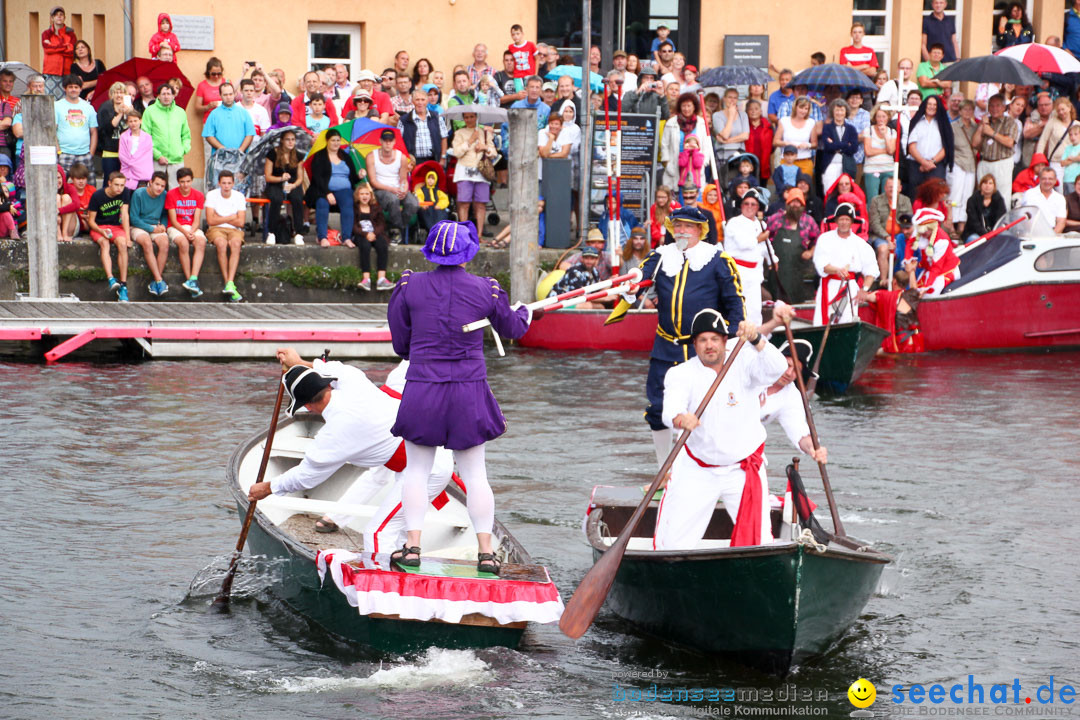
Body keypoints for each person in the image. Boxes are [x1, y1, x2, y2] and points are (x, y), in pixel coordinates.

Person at [387, 220, 535, 574]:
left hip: (423, 386)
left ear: (432, 252)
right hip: (468, 391)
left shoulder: (408, 286)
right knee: (475, 474)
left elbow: (401, 345)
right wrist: (526, 310)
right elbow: (514, 329)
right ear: (467, 255)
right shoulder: (487, 290)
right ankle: (486, 552)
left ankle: (412, 547)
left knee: (417, 472)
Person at [247, 349, 455, 547]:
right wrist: (300, 362)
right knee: (397, 535)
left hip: (427, 470)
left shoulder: (333, 436)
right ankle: (398, 573)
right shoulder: (352, 378)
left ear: (307, 407)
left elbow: (306, 477)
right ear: (328, 385)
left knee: (378, 533)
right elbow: (334, 368)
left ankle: (379, 583)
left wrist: (267, 488)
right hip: (426, 450)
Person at [607, 207, 746, 467]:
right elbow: (641, 276)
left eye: (689, 226)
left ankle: (708, 466)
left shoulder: (717, 258)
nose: (682, 231)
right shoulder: (660, 256)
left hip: (704, 350)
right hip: (666, 346)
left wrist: (733, 343)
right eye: (678, 225)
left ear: (700, 231)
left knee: (706, 409)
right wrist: (632, 283)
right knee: (659, 408)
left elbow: (735, 303)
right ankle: (665, 470)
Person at [654, 308, 790, 550]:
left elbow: (777, 368)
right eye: (703, 340)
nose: (709, 345)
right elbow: (668, 412)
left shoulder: (745, 362)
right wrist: (680, 418)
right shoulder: (681, 374)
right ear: (694, 344)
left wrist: (757, 340)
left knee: (759, 543)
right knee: (673, 545)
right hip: (697, 469)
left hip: (742, 469)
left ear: (725, 342)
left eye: (715, 339)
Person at [759, 338, 829, 463]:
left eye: (797, 370)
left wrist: (813, 448)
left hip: (746, 451)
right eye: (788, 365)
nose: (789, 373)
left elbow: (799, 432)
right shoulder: (754, 368)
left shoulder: (791, 397)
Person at [812, 203, 879, 325]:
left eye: (847, 219)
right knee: (824, 322)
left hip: (850, 288)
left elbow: (871, 269)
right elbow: (821, 264)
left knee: (847, 323)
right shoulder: (825, 239)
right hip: (829, 286)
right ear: (836, 221)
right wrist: (837, 270)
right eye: (841, 219)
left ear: (852, 222)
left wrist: (864, 290)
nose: (844, 222)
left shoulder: (860, 244)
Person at [723, 189, 772, 325]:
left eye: (753, 204)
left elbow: (765, 245)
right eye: (746, 204)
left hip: (754, 272)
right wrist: (759, 238)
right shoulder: (734, 222)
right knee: (739, 307)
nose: (749, 207)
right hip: (738, 270)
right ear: (741, 205)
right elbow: (744, 243)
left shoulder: (760, 224)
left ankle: (755, 335)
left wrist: (773, 258)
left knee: (755, 308)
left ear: (758, 207)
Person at [306, 129, 359, 247]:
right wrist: (327, 192)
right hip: (322, 190)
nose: (336, 143)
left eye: (338, 140)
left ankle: (346, 237)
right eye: (333, 140)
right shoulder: (320, 156)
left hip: (344, 189)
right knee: (322, 203)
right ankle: (322, 237)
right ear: (327, 141)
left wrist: (359, 176)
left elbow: (353, 178)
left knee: (348, 202)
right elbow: (317, 178)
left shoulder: (345, 156)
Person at [87, 172, 133, 302]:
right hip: (99, 227)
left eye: (122, 185)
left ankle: (123, 285)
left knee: (123, 244)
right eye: (116, 185)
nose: (119, 188)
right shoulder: (98, 196)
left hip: (115, 227)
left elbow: (124, 215)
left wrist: (128, 237)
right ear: (109, 183)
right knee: (104, 243)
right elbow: (91, 221)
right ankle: (111, 278)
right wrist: (101, 232)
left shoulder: (125, 193)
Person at [204, 170, 247, 302]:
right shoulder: (211, 195)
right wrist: (230, 217)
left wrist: (220, 217)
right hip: (216, 229)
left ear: (233, 183)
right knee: (221, 244)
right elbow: (210, 221)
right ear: (219, 183)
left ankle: (229, 282)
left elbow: (241, 222)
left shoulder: (239, 196)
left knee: (235, 244)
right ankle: (229, 282)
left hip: (234, 230)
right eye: (223, 183)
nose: (226, 186)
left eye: (229, 183)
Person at [165, 168, 208, 297]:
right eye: (182, 182)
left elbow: (197, 220)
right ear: (178, 182)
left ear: (192, 181)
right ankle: (190, 280)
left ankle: (193, 279)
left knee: (201, 241)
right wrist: (185, 232)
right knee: (183, 243)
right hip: (176, 227)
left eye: (188, 181)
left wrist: (192, 231)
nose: (185, 185)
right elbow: (173, 220)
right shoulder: (171, 194)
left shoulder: (198, 195)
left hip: (191, 226)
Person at [366, 128, 416, 242]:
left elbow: (403, 179)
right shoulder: (371, 156)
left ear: (394, 142)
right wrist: (392, 189)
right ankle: (397, 231)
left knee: (413, 203)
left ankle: (397, 229)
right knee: (393, 200)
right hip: (380, 189)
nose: (388, 143)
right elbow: (373, 181)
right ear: (380, 141)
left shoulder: (402, 157)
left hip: (396, 187)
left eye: (390, 140)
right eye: (385, 140)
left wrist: (404, 189)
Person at [451, 113, 496, 238]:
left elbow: (493, 152)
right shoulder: (459, 133)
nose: (469, 120)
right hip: (464, 170)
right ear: (464, 119)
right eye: (467, 117)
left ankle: (479, 234)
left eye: (472, 117)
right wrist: (470, 141)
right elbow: (457, 152)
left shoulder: (485, 133)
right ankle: (463, 235)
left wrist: (485, 147)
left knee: (481, 204)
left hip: (481, 172)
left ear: (476, 117)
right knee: (464, 203)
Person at [202, 82, 255, 186]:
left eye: (230, 94)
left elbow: (250, 134)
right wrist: (222, 148)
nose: (228, 97)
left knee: (239, 189)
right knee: (219, 188)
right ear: (220, 95)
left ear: (234, 94)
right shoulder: (214, 114)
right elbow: (208, 135)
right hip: (220, 158)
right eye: (225, 95)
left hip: (240, 158)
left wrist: (240, 150)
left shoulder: (243, 112)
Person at [972, 94, 1018, 214]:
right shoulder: (986, 122)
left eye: (998, 105)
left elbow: (1009, 142)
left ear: (1004, 107)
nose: (994, 109)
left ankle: (1002, 225)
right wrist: (982, 126)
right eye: (991, 106)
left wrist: (992, 133)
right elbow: (975, 143)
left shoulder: (1010, 122)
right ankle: (984, 222)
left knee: (1002, 194)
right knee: (983, 193)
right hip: (985, 162)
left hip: (1002, 162)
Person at [129, 172, 171, 297]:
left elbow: (164, 214)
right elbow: (134, 218)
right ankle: (159, 280)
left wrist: (163, 225)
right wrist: (151, 229)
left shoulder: (164, 195)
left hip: (155, 225)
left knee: (164, 243)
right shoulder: (139, 194)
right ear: (150, 182)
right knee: (147, 243)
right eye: (157, 184)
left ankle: (155, 282)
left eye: (162, 186)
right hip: (139, 225)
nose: (159, 188)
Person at [141, 84, 191, 188]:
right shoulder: (150, 111)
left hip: (176, 159)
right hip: (157, 159)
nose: (166, 96)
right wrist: (158, 156)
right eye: (163, 94)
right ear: (158, 96)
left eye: (169, 94)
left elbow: (186, 135)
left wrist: (182, 150)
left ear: (174, 96)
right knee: (155, 189)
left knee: (176, 190)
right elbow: (145, 137)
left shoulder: (180, 112)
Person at [263, 129, 305, 246]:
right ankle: (272, 232)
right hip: (275, 182)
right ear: (282, 141)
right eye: (287, 139)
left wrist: (293, 185)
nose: (291, 142)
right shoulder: (272, 153)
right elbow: (268, 177)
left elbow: (300, 178)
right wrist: (281, 178)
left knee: (297, 198)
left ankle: (299, 233)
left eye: (293, 139)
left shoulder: (298, 155)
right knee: (276, 199)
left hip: (292, 184)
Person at [868, 176, 914, 281]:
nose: (892, 189)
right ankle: (884, 280)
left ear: (900, 188)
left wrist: (901, 236)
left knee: (902, 248)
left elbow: (909, 220)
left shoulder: (905, 200)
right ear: (885, 188)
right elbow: (874, 223)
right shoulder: (876, 201)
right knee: (884, 249)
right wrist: (887, 237)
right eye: (889, 187)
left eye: (895, 187)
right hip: (881, 236)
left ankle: (900, 280)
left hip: (900, 234)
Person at [661, 93, 710, 191]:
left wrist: (703, 163)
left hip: (695, 166)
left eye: (689, 106)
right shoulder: (671, 122)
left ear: (694, 107)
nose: (686, 109)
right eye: (683, 106)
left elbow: (706, 146)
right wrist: (667, 163)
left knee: (693, 197)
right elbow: (664, 145)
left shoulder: (701, 123)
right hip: (675, 165)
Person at [55, 75, 98, 184]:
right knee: (60, 186)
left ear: (80, 88)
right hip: (64, 153)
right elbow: (52, 131)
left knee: (89, 186)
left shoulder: (88, 107)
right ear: (65, 88)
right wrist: (59, 151)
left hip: (84, 153)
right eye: (70, 87)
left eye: (76, 87)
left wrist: (91, 153)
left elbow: (93, 132)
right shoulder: (57, 106)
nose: (73, 89)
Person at [907, 208, 960, 295]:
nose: (922, 234)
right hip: (929, 269)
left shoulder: (942, 241)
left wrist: (926, 287)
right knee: (915, 291)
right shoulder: (920, 232)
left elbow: (936, 268)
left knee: (929, 295)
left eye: (925, 231)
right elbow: (910, 243)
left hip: (944, 271)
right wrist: (908, 259)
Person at [907, 95, 954, 190]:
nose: (931, 107)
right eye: (929, 104)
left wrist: (931, 162)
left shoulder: (943, 124)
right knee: (915, 197)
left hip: (936, 166)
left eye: (934, 105)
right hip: (916, 165)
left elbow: (946, 147)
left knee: (935, 196)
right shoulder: (916, 122)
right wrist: (923, 162)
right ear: (924, 105)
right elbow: (911, 146)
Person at [353, 183, 392, 291]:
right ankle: (366, 279)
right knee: (365, 246)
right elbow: (354, 226)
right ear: (357, 196)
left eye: (367, 194)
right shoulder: (354, 208)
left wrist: (374, 233)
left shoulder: (376, 207)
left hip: (374, 233)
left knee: (382, 245)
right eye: (362, 194)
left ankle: (381, 278)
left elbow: (381, 224)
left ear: (371, 196)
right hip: (361, 234)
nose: (364, 196)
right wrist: (366, 234)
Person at [817, 99, 859, 195]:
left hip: (847, 165)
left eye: (842, 110)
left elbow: (853, 148)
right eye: (837, 110)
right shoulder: (827, 128)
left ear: (845, 112)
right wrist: (845, 144)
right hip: (830, 164)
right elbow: (828, 146)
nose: (839, 113)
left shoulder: (851, 129)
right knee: (829, 191)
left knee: (846, 193)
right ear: (832, 111)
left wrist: (835, 144)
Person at [1037, 98, 1076, 188]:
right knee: (1059, 189)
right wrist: (1039, 160)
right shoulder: (1052, 122)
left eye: (1063, 109)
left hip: (1072, 163)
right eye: (1059, 110)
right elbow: (1043, 141)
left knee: (1073, 189)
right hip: (1056, 162)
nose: (1061, 112)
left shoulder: (1077, 124)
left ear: (1069, 108)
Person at [400, 89, 446, 165]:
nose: (420, 103)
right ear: (412, 101)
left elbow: (444, 137)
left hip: (434, 160)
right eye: (417, 100)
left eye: (423, 99)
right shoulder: (404, 120)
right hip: (413, 162)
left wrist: (443, 158)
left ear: (427, 101)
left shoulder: (437, 117)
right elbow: (399, 140)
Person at [774, 97, 816, 178]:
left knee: (804, 188)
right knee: (787, 188)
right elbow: (775, 141)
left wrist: (808, 145)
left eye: (806, 108)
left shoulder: (811, 122)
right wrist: (786, 143)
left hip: (804, 161)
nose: (803, 111)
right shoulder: (784, 121)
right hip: (787, 161)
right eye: (801, 107)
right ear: (795, 107)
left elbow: (815, 144)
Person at [42, 7, 77, 98]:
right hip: (50, 72)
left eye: (61, 15)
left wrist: (54, 48)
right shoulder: (46, 34)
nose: (59, 17)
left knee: (66, 99)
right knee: (50, 100)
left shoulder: (71, 34)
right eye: (56, 15)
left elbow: (72, 52)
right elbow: (47, 49)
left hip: (67, 72)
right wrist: (65, 46)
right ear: (52, 18)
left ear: (64, 17)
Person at [1021, 166, 1068, 234]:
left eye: (1050, 179)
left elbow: (1061, 222)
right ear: (1039, 179)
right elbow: (1025, 218)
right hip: (1032, 233)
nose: (1047, 181)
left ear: (1055, 180)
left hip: (1053, 233)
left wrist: (1051, 237)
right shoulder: (1029, 194)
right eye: (1044, 178)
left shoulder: (1060, 198)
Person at [118, 109, 154, 190]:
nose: (133, 123)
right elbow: (122, 156)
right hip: (128, 173)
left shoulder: (147, 137)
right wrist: (132, 164)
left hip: (143, 175)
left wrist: (135, 165)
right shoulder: (124, 136)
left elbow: (146, 158)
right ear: (127, 123)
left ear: (140, 121)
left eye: (135, 120)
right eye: (130, 121)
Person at [964, 174, 1007, 242]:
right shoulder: (972, 200)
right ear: (980, 185)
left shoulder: (999, 200)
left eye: (990, 183)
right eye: (985, 183)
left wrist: (993, 233)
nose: (987, 186)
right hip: (975, 233)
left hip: (994, 233)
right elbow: (973, 222)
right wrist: (985, 235)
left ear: (994, 186)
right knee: (975, 240)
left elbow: (1001, 218)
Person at [507, 24, 538, 93]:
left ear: (522, 34)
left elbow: (537, 59)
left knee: (531, 94)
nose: (516, 36)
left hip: (530, 74)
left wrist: (536, 73)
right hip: (518, 76)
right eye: (513, 34)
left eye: (518, 34)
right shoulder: (511, 47)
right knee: (520, 95)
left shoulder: (530, 45)